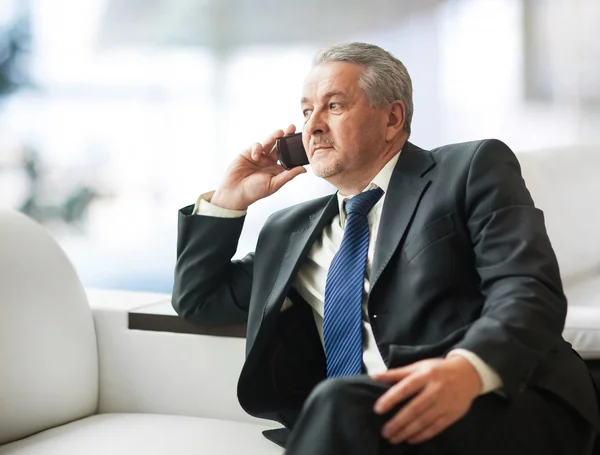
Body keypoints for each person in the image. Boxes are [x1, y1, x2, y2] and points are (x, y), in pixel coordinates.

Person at [172, 42, 600, 454]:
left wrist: (467, 370)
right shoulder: (289, 230)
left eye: (333, 106)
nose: (312, 126)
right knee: (343, 404)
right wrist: (228, 200)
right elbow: (199, 298)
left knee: (340, 402)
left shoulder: (469, 170)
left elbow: (527, 287)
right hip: (365, 419)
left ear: (393, 118)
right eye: (305, 112)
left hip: (496, 401)